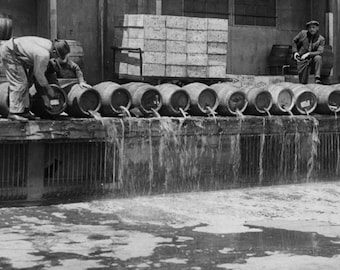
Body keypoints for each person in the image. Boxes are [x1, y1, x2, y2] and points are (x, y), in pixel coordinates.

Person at [0, 36, 89, 122]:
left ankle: (24, 111)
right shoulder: (44, 56)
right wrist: (47, 93)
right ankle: (14, 112)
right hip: (11, 52)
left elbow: (76, 68)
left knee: (27, 83)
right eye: (56, 58)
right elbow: (39, 77)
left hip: (21, 54)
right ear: (54, 53)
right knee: (20, 83)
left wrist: (81, 81)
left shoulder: (60, 57)